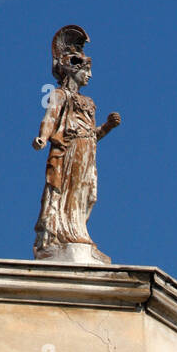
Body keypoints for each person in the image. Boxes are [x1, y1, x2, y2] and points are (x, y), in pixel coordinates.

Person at [33, 25, 121, 264]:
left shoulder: (89, 102)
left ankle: (79, 232)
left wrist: (108, 127)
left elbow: (94, 134)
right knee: (66, 192)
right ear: (73, 69)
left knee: (87, 194)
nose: (90, 76)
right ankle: (61, 235)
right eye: (86, 70)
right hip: (68, 148)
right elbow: (50, 118)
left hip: (86, 149)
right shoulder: (60, 95)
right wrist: (42, 137)